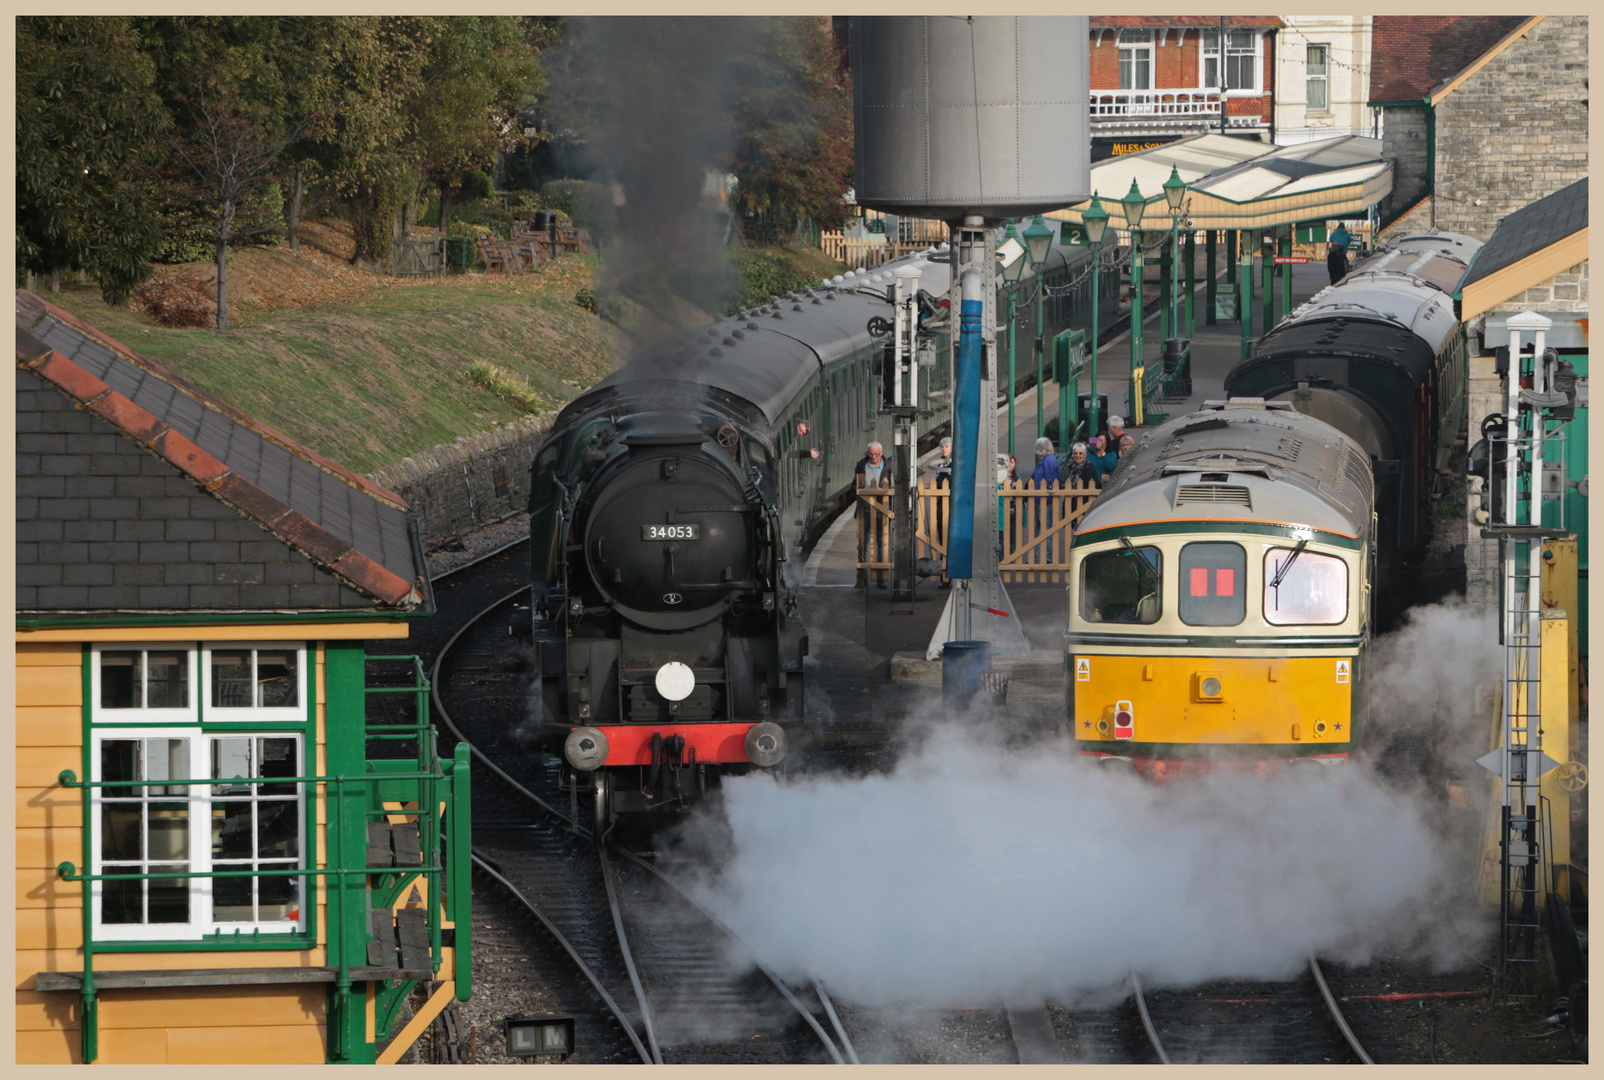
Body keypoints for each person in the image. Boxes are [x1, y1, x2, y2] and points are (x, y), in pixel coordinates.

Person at [854, 441, 892, 590]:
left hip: (882, 510)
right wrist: (866, 489)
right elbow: (853, 485)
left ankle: (880, 579)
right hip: (865, 510)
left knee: (881, 545)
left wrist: (882, 490)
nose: (873, 457)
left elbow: (894, 486)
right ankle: (861, 579)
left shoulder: (888, 467)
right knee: (862, 546)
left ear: (881, 454)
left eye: (876, 454)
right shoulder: (861, 466)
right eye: (871, 454)